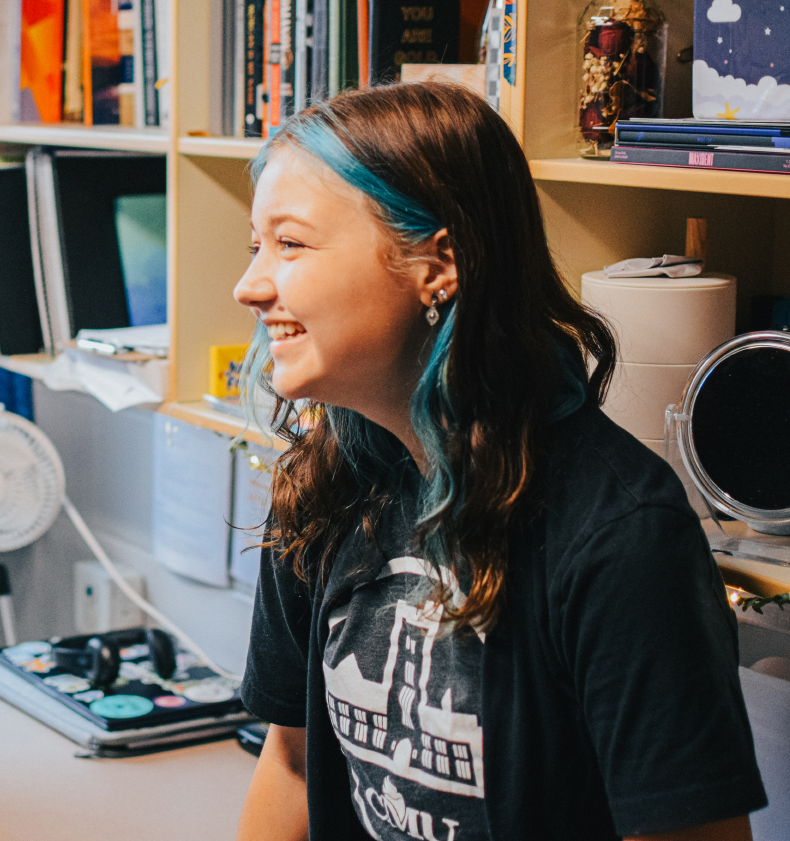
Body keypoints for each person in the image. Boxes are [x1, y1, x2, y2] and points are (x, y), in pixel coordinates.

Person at [233, 84, 766, 841]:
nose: (250, 286)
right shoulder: (322, 487)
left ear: (437, 264)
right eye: (255, 247)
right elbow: (291, 765)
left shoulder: (622, 535)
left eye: (290, 244)